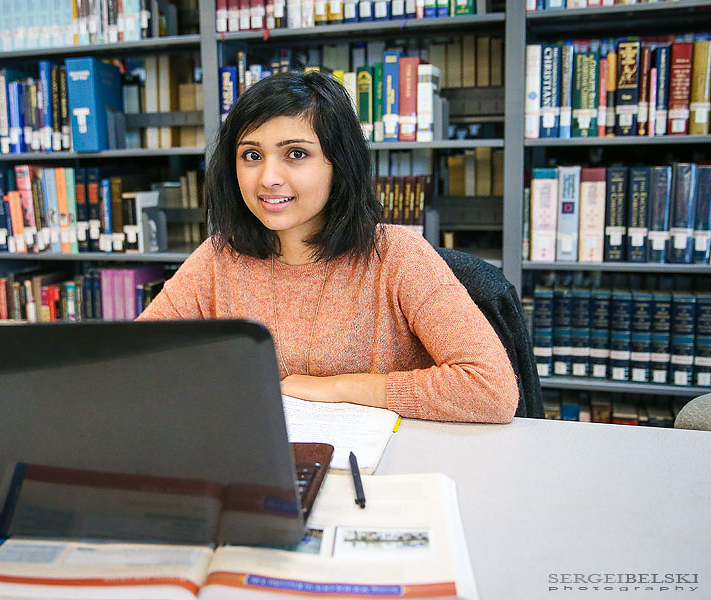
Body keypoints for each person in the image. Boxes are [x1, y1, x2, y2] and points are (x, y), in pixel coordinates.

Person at [137, 70, 518, 424]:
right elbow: (133, 361)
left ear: (339, 165)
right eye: (252, 155)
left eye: (296, 154)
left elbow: (492, 389)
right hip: (267, 460)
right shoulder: (219, 258)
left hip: (383, 467)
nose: (269, 178)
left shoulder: (399, 256)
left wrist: (336, 387)